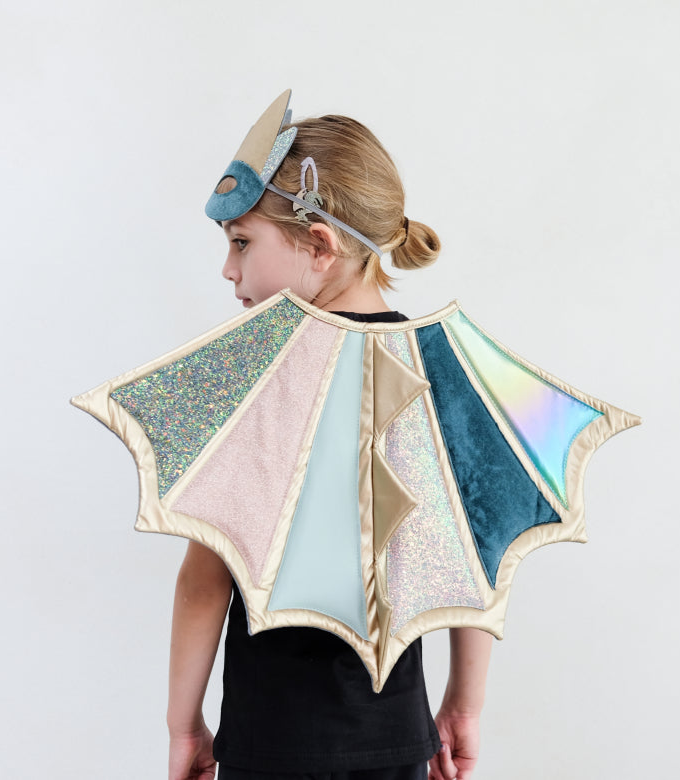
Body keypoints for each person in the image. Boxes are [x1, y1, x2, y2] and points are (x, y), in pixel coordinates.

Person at [167, 102, 493, 780]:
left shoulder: (257, 381)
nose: (228, 269)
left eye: (241, 242)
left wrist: (183, 724)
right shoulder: (439, 372)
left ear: (319, 245)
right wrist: (464, 703)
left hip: (269, 742)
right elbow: (471, 552)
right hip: (395, 739)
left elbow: (205, 580)